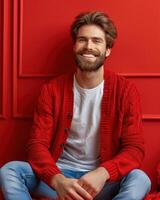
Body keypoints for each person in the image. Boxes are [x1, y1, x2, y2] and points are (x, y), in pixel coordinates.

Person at [0, 11, 151, 200]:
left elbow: (134, 148)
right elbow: (37, 144)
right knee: (10, 171)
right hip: (60, 180)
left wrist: (103, 173)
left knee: (140, 179)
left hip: (102, 182)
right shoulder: (52, 90)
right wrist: (57, 180)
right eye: (82, 40)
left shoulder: (125, 91)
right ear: (74, 46)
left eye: (97, 41)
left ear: (107, 50)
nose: (89, 46)